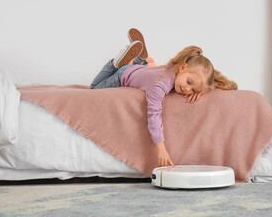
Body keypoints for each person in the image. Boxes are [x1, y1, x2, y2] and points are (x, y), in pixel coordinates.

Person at [90, 28, 237, 167]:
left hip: (140, 70)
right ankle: (115, 63)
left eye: (193, 90)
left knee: (146, 71)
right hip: (122, 76)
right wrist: (161, 148)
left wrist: (201, 90)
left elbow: (209, 83)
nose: (187, 89)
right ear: (182, 68)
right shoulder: (160, 86)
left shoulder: (175, 71)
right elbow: (154, 115)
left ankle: (140, 60)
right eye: (189, 82)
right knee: (94, 89)